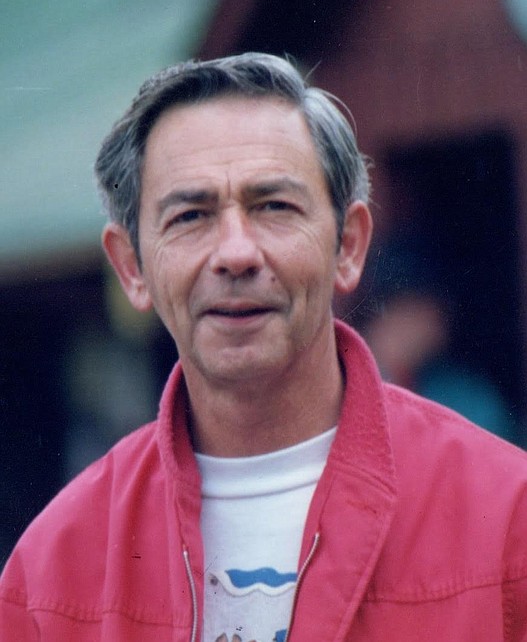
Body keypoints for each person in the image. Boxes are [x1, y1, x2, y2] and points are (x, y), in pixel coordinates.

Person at [1, 53, 526, 641]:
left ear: (348, 246)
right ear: (132, 267)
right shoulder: (51, 573)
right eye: (190, 216)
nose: (236, 254)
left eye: (274, 207)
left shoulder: (507, 517)